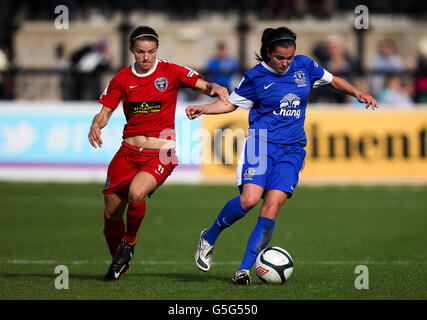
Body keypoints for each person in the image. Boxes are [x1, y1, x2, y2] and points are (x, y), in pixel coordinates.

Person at [186, 27, 377, 285]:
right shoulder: (255, 77)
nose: (285, 62)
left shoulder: (304, 65)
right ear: (268, 53)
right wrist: (203, 108)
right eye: (279, 58)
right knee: (249, 201)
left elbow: (332, 80)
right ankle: (209, 236)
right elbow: (230, 103)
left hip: (292, 149)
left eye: (289, 57)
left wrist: (357, 93)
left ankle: (243, 270)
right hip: (260, 146)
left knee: (272, 207)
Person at [88, 26, 228, 281]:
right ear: (132, 50)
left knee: (136, 192)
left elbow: (202, 85)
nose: (146, 57)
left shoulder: (170, 71)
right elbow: (105, 111)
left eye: (151, 51)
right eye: (141, 52)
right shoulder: (121, 79)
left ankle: (129, 242)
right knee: (110, 216)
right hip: (127, 152)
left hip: (161, 153)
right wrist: (96, 124)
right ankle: (118, 261)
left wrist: (215, 87)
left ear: (157, 50)